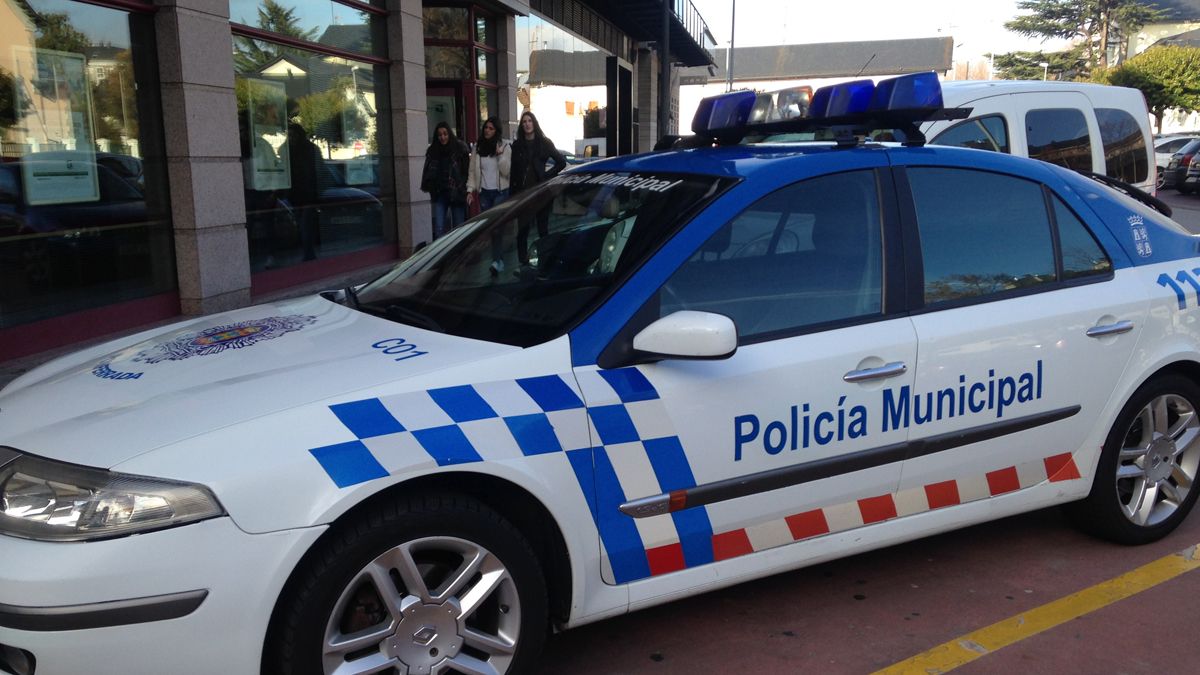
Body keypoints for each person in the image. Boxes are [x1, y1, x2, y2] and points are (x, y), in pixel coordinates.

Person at [509, 111, 566, 268]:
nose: (527, 124)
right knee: (522, 230)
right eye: (524, 121)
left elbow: (561, 162)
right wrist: (512, 195)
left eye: (529, 121)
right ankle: (523, 261)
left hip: (541, 192)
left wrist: (546, 176)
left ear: (534, 123)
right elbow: (514, 171)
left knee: (543, 229)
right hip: (523, 193)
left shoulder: (544, 143)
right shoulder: (517, 145)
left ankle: (544, 261)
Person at [421, 122, 470, 239]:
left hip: (457, 192)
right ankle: (441, 255)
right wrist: (431, 187)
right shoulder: (433, 151)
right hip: (440, 193)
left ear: (449, 134)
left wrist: (464, 188)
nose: (442, 137)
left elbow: (466, 171)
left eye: (445, 134)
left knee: (459, 229)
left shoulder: (459, 149)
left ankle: (459, 255)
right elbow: (427, 173)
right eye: (439, 135)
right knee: (439, 228)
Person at [467, 117, 511, 213]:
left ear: (497, 131)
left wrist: (500, 156)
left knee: (498, 224)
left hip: (500, 192)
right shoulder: (478, 146)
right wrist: (470, 190)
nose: (487, 130)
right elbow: (472, 170)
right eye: (486, 127)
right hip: (484, 193)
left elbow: (506, 171)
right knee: (487, 224)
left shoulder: (504, 146)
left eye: (491, 129)